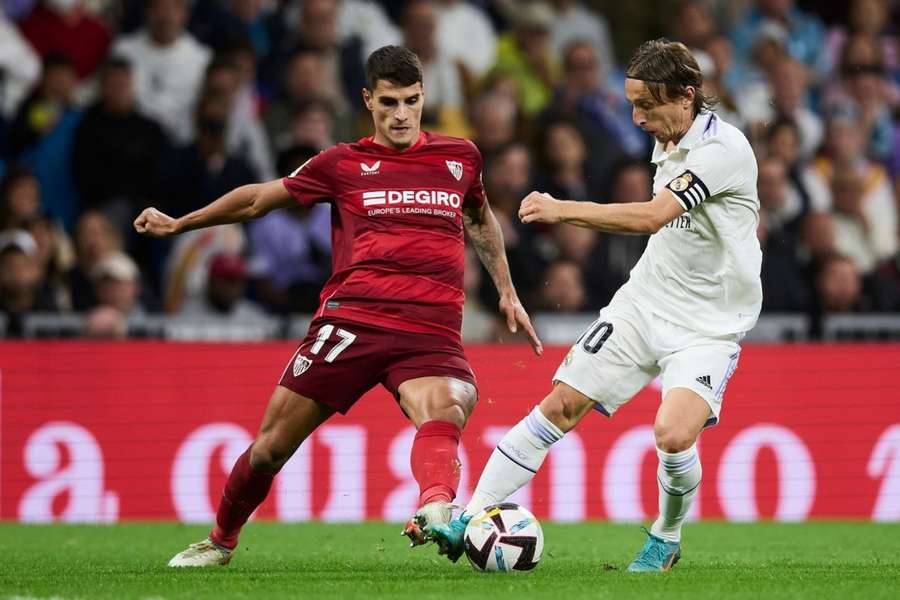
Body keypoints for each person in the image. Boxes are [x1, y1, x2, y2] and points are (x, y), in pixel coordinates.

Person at [134, 45, 541, 567]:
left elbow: (480, 219)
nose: (400, 115)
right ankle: (219, 540)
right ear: (368, 99)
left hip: (430, 327)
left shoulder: (460, 156)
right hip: (352, 322)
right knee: (270, 448)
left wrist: (506, 289)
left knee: (450, 406)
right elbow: (260, 199)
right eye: (389, 102)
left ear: (423, 99)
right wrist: (181, 222)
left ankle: (437, 508)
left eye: (411, 102)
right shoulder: (342, 163)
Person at [428, 39, 763, 573]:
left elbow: (652, 217)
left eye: (646, 105)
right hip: (645, 301)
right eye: (632, 103)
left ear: (686, 96)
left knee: (674, 437)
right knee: (559, 405)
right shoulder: (669, 139)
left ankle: (665, 536)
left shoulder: (723, 150)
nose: (636, 117)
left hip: (709, 325)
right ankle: (466, 516)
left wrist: (563, 209)